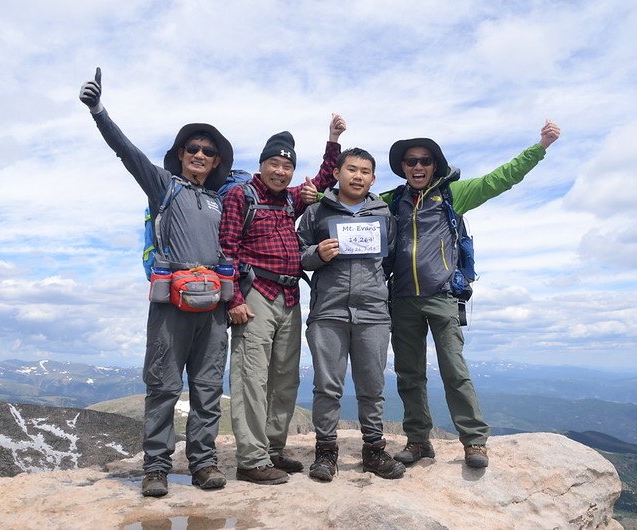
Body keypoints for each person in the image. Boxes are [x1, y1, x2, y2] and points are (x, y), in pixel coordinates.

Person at [79, 67, 233, 496]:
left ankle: (203, 464)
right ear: (180, 154)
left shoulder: (221, 200)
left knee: (207, 387)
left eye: (208, 151)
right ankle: (156, 468)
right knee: (164, 385)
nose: (199, 155)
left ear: (217, 160)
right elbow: (126, 153)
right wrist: (99, 111)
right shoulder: (164, 187)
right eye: (192, 148)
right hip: (172, 305)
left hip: (215, 307)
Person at [383, 121, 561, 468]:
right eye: (411, 161)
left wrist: (539, 148)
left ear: (435, 165)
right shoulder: (391, 202)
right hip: (402, 299)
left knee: (454, 370)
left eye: (424, 160)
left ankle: (474, 441)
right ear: (403, 167)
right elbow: (352, 198)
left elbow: (500, 179)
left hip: (443, 296)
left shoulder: (453, 195)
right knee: (409, 373)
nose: (418, 166)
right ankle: (419, 441)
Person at [219, 115, 346, 485]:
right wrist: (234, 300)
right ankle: (251, 459)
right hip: (256, 293)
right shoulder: (241, 196)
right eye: (274, 163)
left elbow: (324, 179)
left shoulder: (290, 200)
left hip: (290, 294)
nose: (280, 170)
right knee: (252, 378)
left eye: (287, 166)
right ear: (262, 164)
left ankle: (273, 448)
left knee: (284, 378)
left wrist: (333, 138)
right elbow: (226, 251)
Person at [296, 147, 405, 482]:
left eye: (365, 171)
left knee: (372, 384)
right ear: (338, 174)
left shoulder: (385, 215)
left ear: (373, 178)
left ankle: (373, 450)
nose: (358, 176)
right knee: (327, 385)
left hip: (373, 312)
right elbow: (297, 254)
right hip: (328, 310)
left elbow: (389, 261)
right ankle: (326, 453)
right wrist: (317, 253)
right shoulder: (316, 212)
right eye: (352, 169)